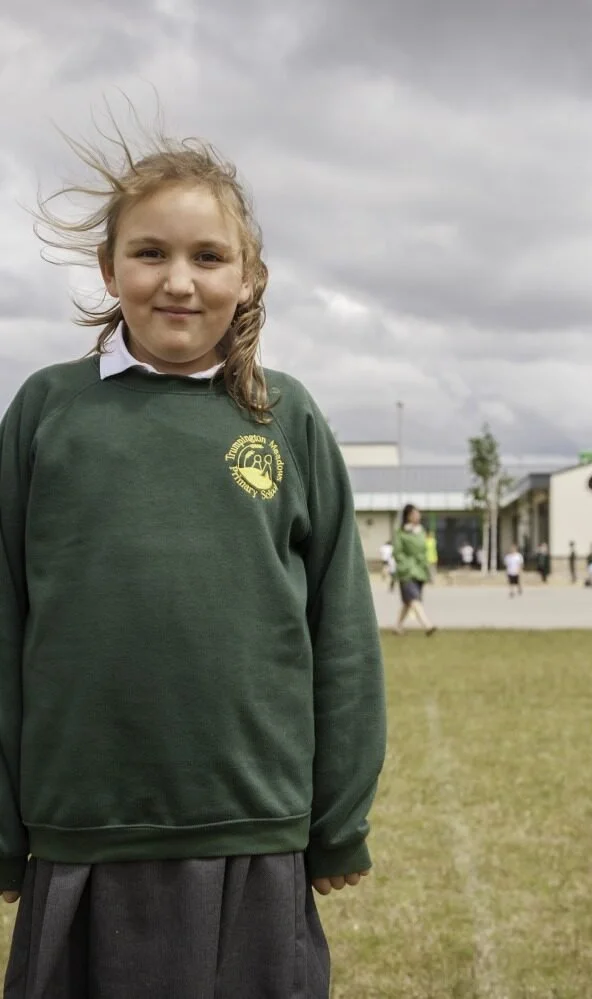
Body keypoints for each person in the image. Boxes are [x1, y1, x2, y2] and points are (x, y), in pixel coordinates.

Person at [0, 119, 386, 998]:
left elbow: (343, 633)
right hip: (83, 825)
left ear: (248, 278)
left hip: (251, 824)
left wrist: (337, 821)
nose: (178, 280)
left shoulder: (282, 416)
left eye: (209, 257)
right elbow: (3, 618)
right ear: (109, 269)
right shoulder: (48, 411)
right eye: (149, 253)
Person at [393, 504, 437, 635]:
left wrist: (427, 568)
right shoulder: (401, 533)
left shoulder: (421, 532)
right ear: (408, 516)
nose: (418, 516)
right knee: (414, 599)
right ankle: (427, 625)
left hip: (420, 571)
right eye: (415, 514)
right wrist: (406, 565)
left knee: (408, 602)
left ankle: (397, 626)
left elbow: (424, 551)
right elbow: (398, 552)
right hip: (407, 571)